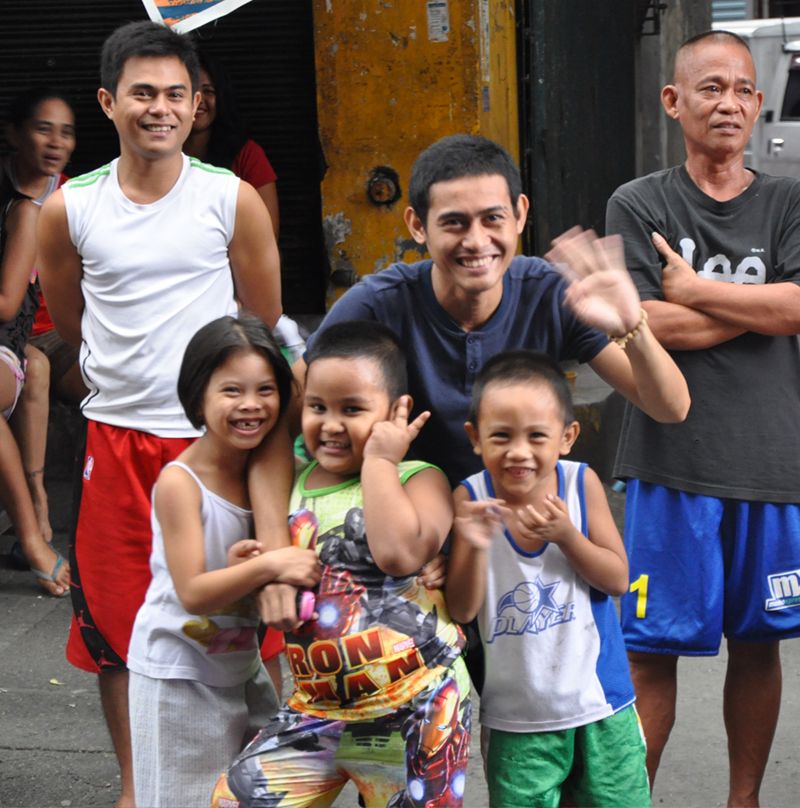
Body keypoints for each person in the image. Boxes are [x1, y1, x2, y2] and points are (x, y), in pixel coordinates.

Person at [37, 21, 283, 808]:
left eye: (176, 94)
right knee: (116, 629)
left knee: (260, 616)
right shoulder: (68, 209)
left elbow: (264, 324)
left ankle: (269, 771)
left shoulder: (230, 198)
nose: (161, 108)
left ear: (196, 103)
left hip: (217, 449)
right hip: (114, 445)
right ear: (109, 102)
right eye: (143, 93)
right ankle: (139, 785)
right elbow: (74, 324)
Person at [605, 30, 800, 806]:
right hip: (668, 461)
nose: (729, 103)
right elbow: (639, 323)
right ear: (674, 100)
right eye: (710, 87)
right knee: (650, 651)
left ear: (759, 103)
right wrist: (761, 309)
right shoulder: (640, 201)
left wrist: (693, 292)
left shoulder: (788, 200)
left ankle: (743, 801)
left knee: (757, 646)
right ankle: (631, 799)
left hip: (771, 459)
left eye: (743, 90)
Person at [296, 134, 690, 491]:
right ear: (418, 225)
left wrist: (631, 324)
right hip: (411, 528)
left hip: (522, 530)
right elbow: (292, 397)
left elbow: (670, 408)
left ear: (519, 214)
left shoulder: (550, 293)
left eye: (492, 218)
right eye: (454, 222)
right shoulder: (377, 303)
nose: (476, 241)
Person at [213, 321, 470, 808]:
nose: (330, 424)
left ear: (397, 411)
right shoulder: (289, 485)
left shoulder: (420, 478)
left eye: (352, 409)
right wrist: (249, 569)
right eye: (317, 407)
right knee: (236, 798)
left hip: (418, 702)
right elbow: (273, 596)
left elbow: (399, 555)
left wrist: (378, 461)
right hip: (316, 709)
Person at [127, 314, 320, 808]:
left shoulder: (271, 474)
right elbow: (191, 590)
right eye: (231, 391)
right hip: (178, 678)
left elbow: (225, 574)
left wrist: (244, 562)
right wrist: (270, 564)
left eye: (265, 390)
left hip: (239, 668)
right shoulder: (181, 482)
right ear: (197, 397)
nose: (251, 405)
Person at [446, 351, 650, 807]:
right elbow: (461, 610)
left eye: (536, 435)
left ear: (567, 436)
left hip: (601, 705)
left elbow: (617, 579)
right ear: (475, 438)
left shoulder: (580, 484)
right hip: (517, 721)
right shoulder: (472, 498)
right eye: (501, 436)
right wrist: (475, 544)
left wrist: (567, 537)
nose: (519, 451)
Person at [1, 88, 78, 561]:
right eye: (43, 128)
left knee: (113, 382)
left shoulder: (70, 198)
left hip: (55, 334)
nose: (55, 141)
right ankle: (35, 503)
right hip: (22, 344)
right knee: (34, 371)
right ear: (13, 133)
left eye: (66, 132)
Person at [184, 50, 279, 236]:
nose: (199, 101)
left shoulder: (247, 155)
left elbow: (267, 236)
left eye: (209, 91)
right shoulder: (155, 155)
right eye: (188, 91)